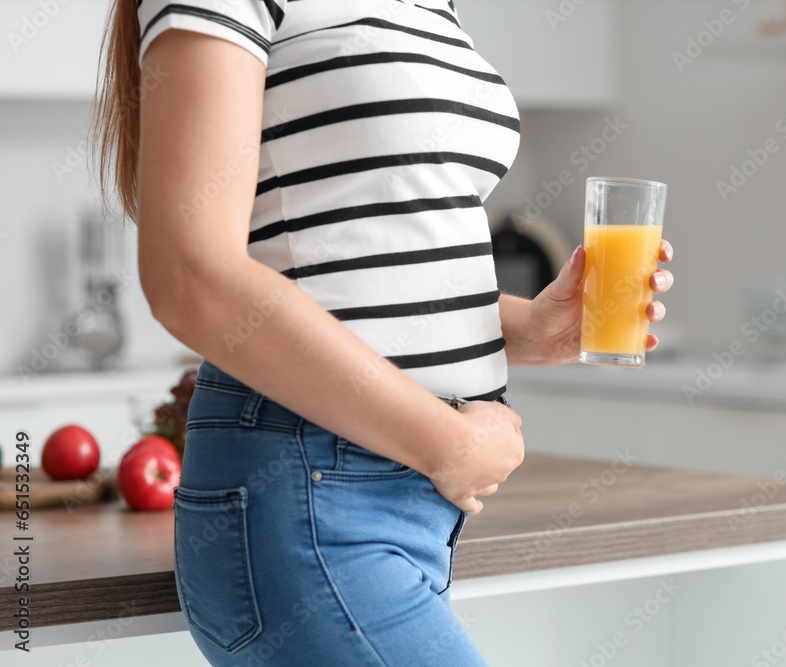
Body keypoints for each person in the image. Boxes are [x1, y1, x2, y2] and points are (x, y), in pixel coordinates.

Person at [91, 0, 674, 664]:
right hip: (308, 481)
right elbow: (189, 275)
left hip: (408, 507)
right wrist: (444, 440)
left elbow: (351, 262)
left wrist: (528, 327)